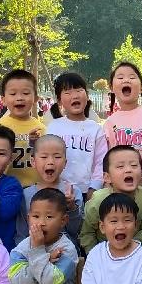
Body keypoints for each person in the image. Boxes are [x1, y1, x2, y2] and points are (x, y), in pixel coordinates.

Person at [103, 62, 142, 186]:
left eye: (132, 77)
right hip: (121, 185)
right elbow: (108, 155)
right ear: (111, 87)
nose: (126, 80)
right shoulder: (110, 122)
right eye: (120, 77)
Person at [80, 146, 142, 253]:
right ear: (107, 177)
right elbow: (87, 233)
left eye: (134, 165)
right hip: (102, 253)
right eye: (120, 166)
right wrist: (95, 255)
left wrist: (132, 247)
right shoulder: (98, 200)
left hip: (134, 251)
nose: (128, 170)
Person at [46, 71, 108, 200]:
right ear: (59, 100)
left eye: (79, 90)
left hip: (88, 191)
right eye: (67, 92)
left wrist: (94, 187)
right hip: (58, 190)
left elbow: (101, 162)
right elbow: (45, 156)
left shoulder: (96, 129)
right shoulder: (54, 127)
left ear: (87, 95)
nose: (74, 96)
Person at [15, 134, 83, 250]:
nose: (50, 162)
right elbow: (21, 233)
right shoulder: (25, 195)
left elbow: (75, 230)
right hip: (33, 252)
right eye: (44, 157)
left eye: (57, 157)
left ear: (65, 163)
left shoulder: (73, 192)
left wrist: (72, 208)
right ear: (33, 161)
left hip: (64, 252)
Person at [0, 69, 46, 187]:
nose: (19, 98)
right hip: (5, 189)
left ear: (36, 99)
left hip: (36, 189)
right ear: (3, 100)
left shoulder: (42, 130)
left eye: (26, 93)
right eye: (13, 94)